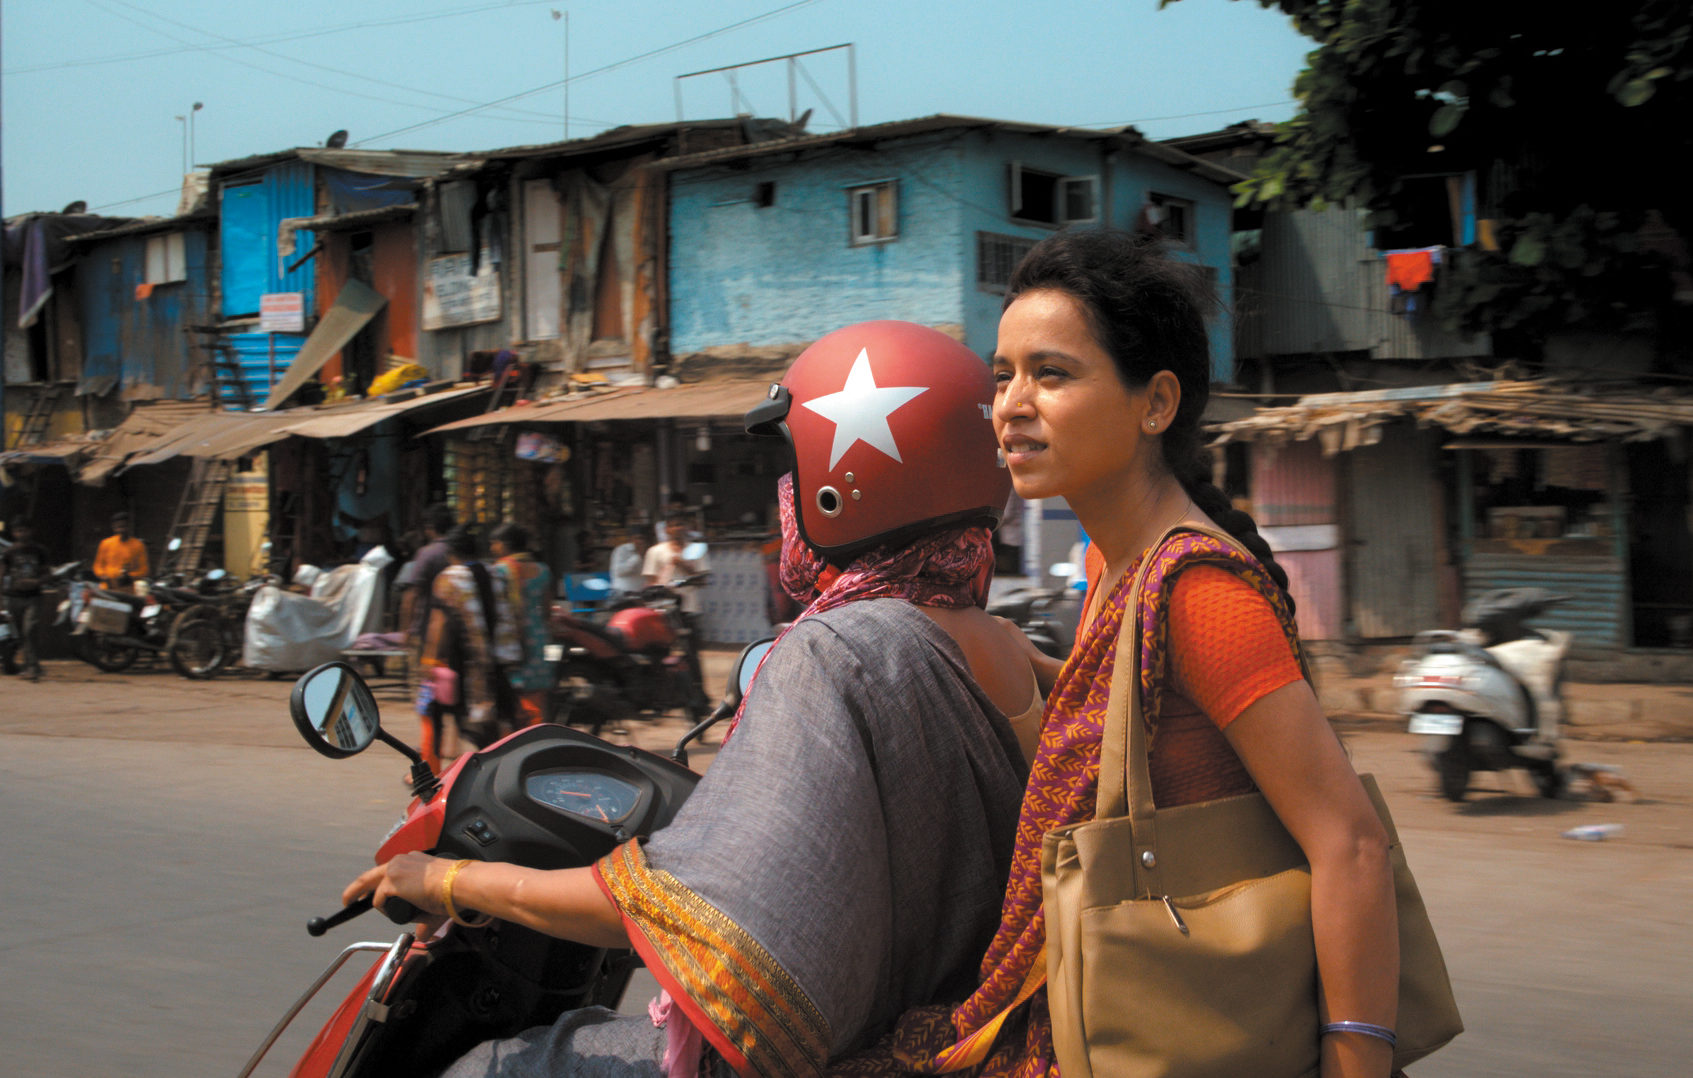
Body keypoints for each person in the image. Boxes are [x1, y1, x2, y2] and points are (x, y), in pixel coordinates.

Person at [344, 319, 1041, 1077]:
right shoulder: (1015, 650)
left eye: (795, 469)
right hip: (968, 1036)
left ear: (850, 480)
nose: (786, 494)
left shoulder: (840, 652)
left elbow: (696, 910)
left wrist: (449, 880)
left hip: (861, 1051)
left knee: (499, 1066)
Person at [850, 229, 1400, 1078]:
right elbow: (1114, 717)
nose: (1011, 405)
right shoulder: (1113, 564)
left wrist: (1355, 1061)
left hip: (1168, 1010)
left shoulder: (1198, 594)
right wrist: (963, 643)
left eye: (1052, 374)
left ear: (1155, 404)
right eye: (1002, 375)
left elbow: (1349, 843)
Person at [416, 527, 503, 771]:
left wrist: (429, 659)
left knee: (434, 715)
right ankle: (490, 769)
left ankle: (432, 773)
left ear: (451, 553)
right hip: (490, 660)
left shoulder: (449, 578)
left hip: (456, 661)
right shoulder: (495, 573)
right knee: (482, 724)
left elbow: (439, 622)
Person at [488, 521, 555, 728]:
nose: (492, 548)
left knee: (509, 697)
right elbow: (546, 610)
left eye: (495, 543)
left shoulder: (499, 570)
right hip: (537, 637)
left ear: (506, 544)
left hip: (508, 639)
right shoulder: (543, 570)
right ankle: (535, 736)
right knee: (535, 697)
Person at [398, 503, 456, 646]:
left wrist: (405, 632)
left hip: (428, 630)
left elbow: (411, 595)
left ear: (429, 528)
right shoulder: (460, 552)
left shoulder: (427, 553)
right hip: (457, 630)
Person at [2, 519, 49, 681]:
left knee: (30, 629)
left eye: (24, 530)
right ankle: (31, 664)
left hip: (33, 597)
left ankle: (32, 668)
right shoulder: (9, 552)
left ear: (31, 531)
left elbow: (47, 573)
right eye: (18, 531)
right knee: (22, 634)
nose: (22, 534)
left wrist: (37, 582)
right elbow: (2, 574)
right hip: (14, 597)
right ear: (14, 533)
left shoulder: (39, 551)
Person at [92, 511, 148, 592]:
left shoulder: (138, 545)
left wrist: (130, 576)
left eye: (124, 526)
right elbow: (97, 566)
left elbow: (144, 570)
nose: (122, 530)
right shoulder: (106, 543)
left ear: (129, 526)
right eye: (119, 527)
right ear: (114, 527)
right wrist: (103, 575)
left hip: (127, 590)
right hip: (107, 588)